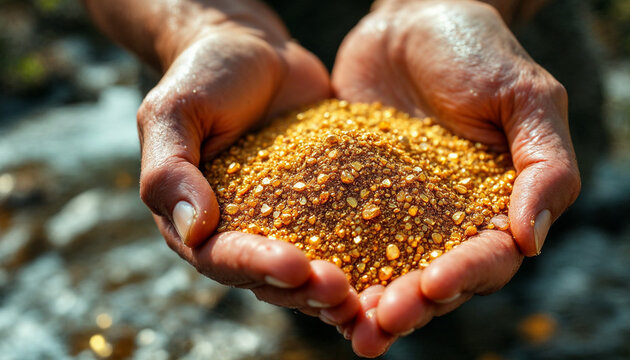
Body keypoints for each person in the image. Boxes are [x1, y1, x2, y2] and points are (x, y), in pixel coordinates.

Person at [83, 0, 581, 357]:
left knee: (550, 240)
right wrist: (202, 24)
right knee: (311, 299)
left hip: (468, 88)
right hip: (237, 97)